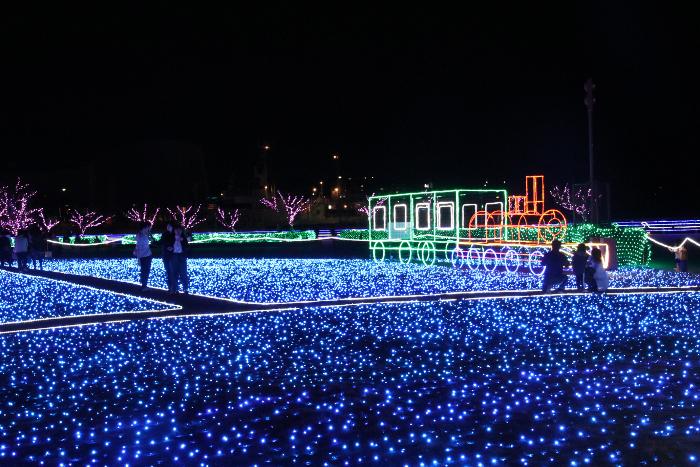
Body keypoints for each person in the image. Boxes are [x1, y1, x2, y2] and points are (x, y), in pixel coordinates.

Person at [170, 224, 189, 295]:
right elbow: (167, 245)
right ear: (174, 230)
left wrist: (183, 241)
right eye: (176, 230)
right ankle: (175, 289)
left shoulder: (183, 238)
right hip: (174, 255)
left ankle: (185, 289)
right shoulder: (171, 238)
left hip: (182, 256)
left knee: (183, 273)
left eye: (179, 230)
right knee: (174, 273)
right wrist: (170, 248)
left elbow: (187, 247)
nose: (178, 231)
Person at [133, 222, 153, 291]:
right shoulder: (141, 236)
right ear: (146, 227)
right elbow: (138, 247)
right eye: (149, 227)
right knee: (145, 271)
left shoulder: (142, 234)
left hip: (146, 255)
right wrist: (138, 258)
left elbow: (138, 246)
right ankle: (144, 286)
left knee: (144, 270)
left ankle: (144, 284)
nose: (150, 228)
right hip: (145, 256)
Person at [159, 222, 176, 293]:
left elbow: (176, 242)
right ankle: (170, 288)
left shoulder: (175, 234)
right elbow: (162, 242)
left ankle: (174, 288)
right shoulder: (164, 234)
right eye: (167, 226)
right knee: (169, 272)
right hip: (166, 255)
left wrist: (172, 247)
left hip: (173, 255)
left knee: (173, 272)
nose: (168, 227)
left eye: (169, 226)